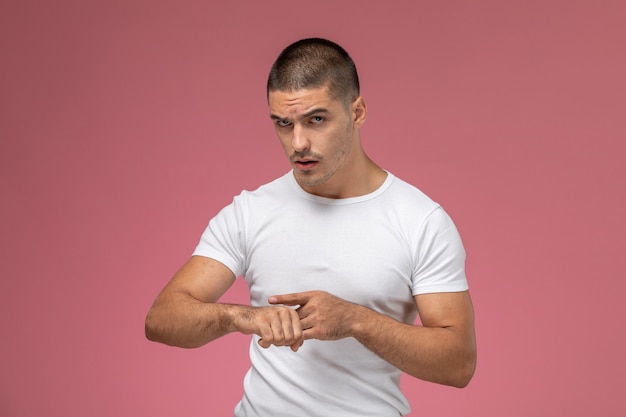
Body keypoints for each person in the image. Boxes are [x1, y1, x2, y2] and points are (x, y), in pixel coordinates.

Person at [145, 37, 477, 417]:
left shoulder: (420, 221)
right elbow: (162, 319)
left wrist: (354, 320)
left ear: (357, 111)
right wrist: (241, 317)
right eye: (283, 124)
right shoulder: (250, 212)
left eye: (316, 119)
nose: (298, 142)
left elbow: (459, 363)